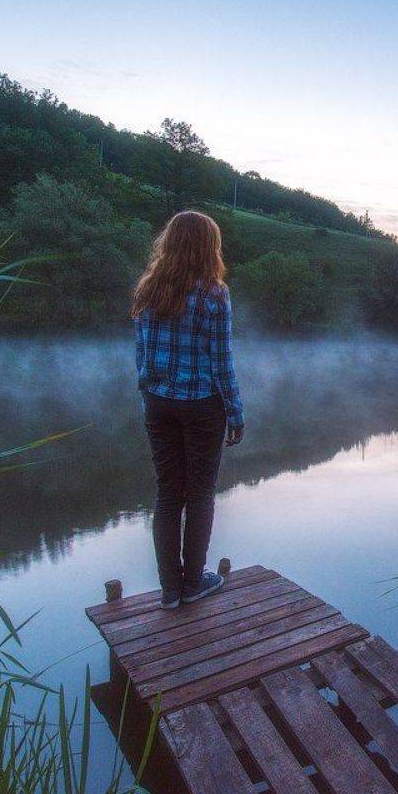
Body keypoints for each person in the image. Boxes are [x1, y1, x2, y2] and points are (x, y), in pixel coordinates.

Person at [131, 210, 245, 609]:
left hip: (159, 404)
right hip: (201, 406)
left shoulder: (148, 289)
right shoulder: (214, 294)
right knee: (199, 495)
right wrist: (235, 413)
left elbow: (141, 353)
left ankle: (170, 591)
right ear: (207, 248)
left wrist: (149, 392)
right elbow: (221, 361)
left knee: (167, 495)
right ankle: (193, 582)